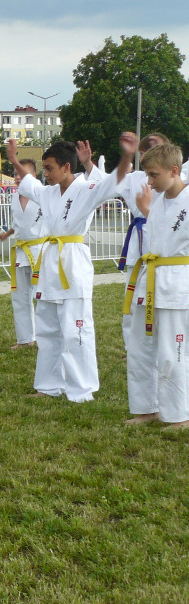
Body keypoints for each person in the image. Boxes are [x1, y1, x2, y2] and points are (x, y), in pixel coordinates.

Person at [6, 137, 133, 402]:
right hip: (51, 261)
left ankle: (81, 389)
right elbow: (28, 184)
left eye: (50, 168)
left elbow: (113, 182)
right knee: (48, 328)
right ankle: (48, 385)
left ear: (66, 167)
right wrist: (15, 161)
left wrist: (127, 155)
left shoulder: (86, 189)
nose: (46, 174)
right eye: (44, 169)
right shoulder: (48, 192)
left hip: (72, 261)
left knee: (77, 328)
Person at [121, 142, 189, 428]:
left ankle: (179, 415)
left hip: (176, 286)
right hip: (148, 281)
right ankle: (147, 408)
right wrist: (146, 210)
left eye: (153, 175)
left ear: (174, 171)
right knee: (140, 348)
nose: (149, 181)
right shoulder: (158, 201)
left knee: (172, 352)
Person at [0, 159, 45, 350]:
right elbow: (19, 223)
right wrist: (7, 233)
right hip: (20, 251)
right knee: (20, 296)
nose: (17, 177)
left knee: (42, 296)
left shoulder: (43, 194)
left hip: (40, 251)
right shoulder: (14, 198)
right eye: (16, 174)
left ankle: (46, 336)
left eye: (21, 174)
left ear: (33, 177)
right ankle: (25, 338)